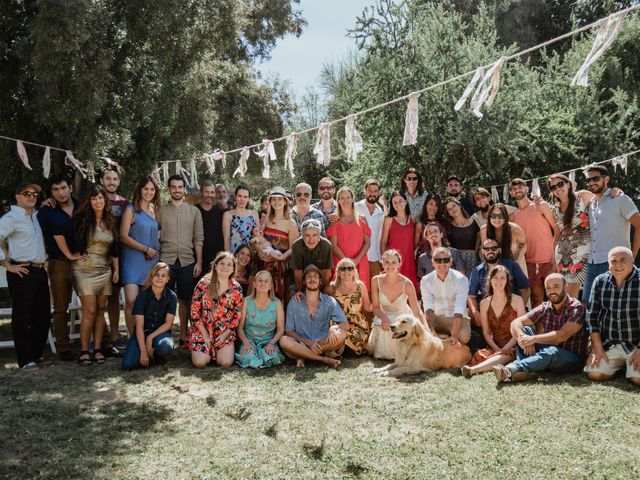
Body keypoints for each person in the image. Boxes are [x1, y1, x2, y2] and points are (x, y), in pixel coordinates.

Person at [55, 185, 119, 366]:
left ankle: (97, 349)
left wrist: (117, 271)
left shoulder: (109, 220)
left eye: (100, 198)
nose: (98, 201)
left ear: (105, 200)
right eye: (93, 198)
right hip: (83, 270)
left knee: (100, 310)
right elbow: (58, 234)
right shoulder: (80, 219)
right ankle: (84, 350)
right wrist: (69, 255)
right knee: (90, 310)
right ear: (88, 202)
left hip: (105, 270)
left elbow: (114, 249)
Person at [494, 273, 588, 382]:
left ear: (565, 287)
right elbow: (516, 322)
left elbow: (561, 336)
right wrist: (523, 338)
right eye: (548, 288)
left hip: (572, 359)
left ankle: (512, 369)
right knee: (524, 330)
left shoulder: (576, 308)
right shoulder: (545, 306)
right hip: (549, 350)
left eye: (556, 286)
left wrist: (533, 339)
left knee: (552, 351)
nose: (552, 291)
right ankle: (528, 371)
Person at [0, 181, 49, 369]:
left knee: (42, 316)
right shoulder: (11, 218)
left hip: (39, 271)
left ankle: (35, 356)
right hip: (22, 271)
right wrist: (7, 265)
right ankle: (25, 359)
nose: (31, 196)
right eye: (26, 193)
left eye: (34, 194)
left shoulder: (35, 216)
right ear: (17, 197)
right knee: (22, 317)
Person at [581, 164, 640, 305]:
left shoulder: (620, 199)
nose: (591, 183)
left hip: (614, 263)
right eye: (588, 180)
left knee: (612, 305)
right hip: (591, 262)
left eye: (595, 178)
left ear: (606, 179)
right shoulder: (591, 203)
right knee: (586, 305)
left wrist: (632, 256)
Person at [158, 174, 204, 345]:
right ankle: (164, 335)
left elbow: (198, 238)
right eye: (174, 187)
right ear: (169, 189)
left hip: (187, 261)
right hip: (166, 260)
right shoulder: (161, 211)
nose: (177, 190)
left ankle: (184, 335)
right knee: (165, 298)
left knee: (185, 299)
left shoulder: (194, 211)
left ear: (184, 189)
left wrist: (198, 261)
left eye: (180, 187)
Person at [584, 247, 640, 385]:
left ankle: (630, 368)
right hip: (610, 344)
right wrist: (597, 348)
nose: (618, 265)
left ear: (632, 261)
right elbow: (592, 317)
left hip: (636, 345)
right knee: (594, 374)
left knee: (638, 379)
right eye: (613, 261)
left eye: (623, 260)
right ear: (608, 264)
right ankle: (623, 366)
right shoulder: (600, 281)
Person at [36, 174, 77, 361]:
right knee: (61, 308)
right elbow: (35, 235)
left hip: (83, 262)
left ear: (70, 187)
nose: (60, 193)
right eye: (56, 189)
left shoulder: (82, 206)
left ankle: (102, 342)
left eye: (63, 188)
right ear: (51, 192)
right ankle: (64, 348)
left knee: (93, 304)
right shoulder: (46, 211)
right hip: (59, 263)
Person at [461, 265, 526, 378]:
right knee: (480, 354)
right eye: (495, 277)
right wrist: (497, 349)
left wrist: (505, 349)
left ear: (507, 281)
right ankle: (495, 362)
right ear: (490, 280)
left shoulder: (517, 300)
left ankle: (472, 370)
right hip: (494, 346)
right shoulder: (484, 303)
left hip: (514, 344)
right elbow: (486, 332)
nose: (499, 281)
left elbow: (521, 329)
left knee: (506, 355)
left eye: (502, 278)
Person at [279, 264, 348, 368]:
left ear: (320, 281)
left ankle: (303, 355)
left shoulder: (329, 301)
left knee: (341, 334)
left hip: (322, 343)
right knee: (284, 340)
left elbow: (345, 324)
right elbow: (289, 331)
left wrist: (335, 327)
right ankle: (323, 359)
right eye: (308, 276)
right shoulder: (294, 303)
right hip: (301, 342)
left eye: (315, 276)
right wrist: (308, 343)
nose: (312, 279)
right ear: (304, 281)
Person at [187, 251, 244, 368]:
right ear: (216, 266)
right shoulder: (203, 284)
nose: (225, 267)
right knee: (200, 363)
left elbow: (236, 317)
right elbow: (194, 313)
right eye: (222, 263)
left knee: (225, 363)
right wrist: (205, 336)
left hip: (224, 331)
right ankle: (204, 352)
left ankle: (217, 352)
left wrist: (224, 335)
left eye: (229, 264)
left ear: (233, 269)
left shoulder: (236, 288)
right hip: (203, 330)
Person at [119, 175, 160, 337]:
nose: (149, 192)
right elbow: (123, 236)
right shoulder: (131, 209)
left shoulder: (154, 211)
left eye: (152, 189)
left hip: (151, 262)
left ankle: (144, 337)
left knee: (146, 304)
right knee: (131, 301)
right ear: (139, 190)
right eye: (146, 189)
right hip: (133, 260)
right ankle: (132, 339)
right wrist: (145, 249)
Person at [368, 250, 425, 360]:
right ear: (382, 264)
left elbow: (416, 310)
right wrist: (384, 318)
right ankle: (383, 353)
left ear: (400, 264)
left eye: (394, 262)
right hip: (384, 315)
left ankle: (403, 351)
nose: (390, 265)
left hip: (402, 316)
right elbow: (375, 307)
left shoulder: (407, 283)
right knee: (380, 321)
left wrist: (424, 330)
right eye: (387, 262)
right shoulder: (376, 280)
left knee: (398, 324)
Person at [509, 178, 555, 308]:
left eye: (520, 187)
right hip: (529, 261)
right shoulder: (513, 216)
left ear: (527, 189)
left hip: (549, 259)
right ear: (511, 193)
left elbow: (556, 227)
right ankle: (539, 329)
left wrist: (556, 254)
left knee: (557, 296)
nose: (517, 190)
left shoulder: (540, 205)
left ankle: (561, 327)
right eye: (513, 188)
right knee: (536, 299)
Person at [121, 262, 176, 370]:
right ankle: (145, 351)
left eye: (163, 275)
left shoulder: (171, 297)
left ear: (168, 279)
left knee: (165, 347)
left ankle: (158, 354)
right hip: (142, 333)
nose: (159, 278)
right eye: (156, 274)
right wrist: (143, 352)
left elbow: (168, 324)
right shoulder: (142, 297)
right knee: (128, 365)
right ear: (151, 276)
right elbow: (139, 327)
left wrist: (150, 338)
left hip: (161, 333)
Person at [99, 168, 129, 354]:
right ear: (102, 180)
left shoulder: (125, 203)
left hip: (121, 255)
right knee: (99, 299)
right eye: (108, 178)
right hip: (99, 256)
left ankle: (114, 337)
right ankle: (100, 338)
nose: (111, 181)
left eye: (114, 179)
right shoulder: (95, 200)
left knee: (114, 298)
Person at [468, 238, 530, 323]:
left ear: (500, 250)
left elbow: (525, 290)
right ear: (482, 251)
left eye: (494, 248)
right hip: (489, 312)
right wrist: (477, 315)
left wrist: (518, 310)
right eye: (486, 249)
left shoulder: (512, 266)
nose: (490, 251)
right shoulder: (477, 271)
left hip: (512, 309)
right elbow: (471, 297)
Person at [420, 247, 471, 346]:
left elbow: (459, 309)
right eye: (438, 260)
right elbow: (428, 308)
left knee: (463, 337)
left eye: (446, 260)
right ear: (433, 262)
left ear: (451, 262)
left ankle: (446, 337)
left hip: (456, 319)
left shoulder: (461, 279)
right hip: (437, 318)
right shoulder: (426, 280)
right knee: (423, 334)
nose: (442, 264)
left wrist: (455, 336)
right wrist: (432, 331)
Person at [236, 270, 285, 368]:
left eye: (266, 281)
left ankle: (262, 356)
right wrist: (245, 342)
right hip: (249, 340)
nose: (263, 283)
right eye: (260, 280)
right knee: (247, 357)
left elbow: (280, 329)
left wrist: (271, 344)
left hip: (268, 341)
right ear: (254, 283)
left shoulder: (277, 303)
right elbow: (240, 328)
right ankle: (255, 356)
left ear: (271, 285)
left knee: (273, 358)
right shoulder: (246, 301)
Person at [327, 186, 371, 290]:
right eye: (342, 198)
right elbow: (334, 246)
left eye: (348, 197)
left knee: (361, 293)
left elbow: (367, 242)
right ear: (338, 201)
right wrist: (347, 262)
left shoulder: (362, 218)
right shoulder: (335, 220)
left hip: (360, 261)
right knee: (341, 293)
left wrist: (356, 260)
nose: (345, 200)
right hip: (341, 261)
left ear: (352, 199)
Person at [261, 186, 299, 301]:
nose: (277, 202)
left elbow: (293, 246)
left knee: (278, 295)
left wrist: (283, 256)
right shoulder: (266, 219)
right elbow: (260, 237)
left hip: (281, 266)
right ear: (270, 201)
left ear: (285, 202)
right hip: (265, 262)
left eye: (280, 199)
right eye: (274, 199)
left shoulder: (291, 223)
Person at [331, 257, 373, 356]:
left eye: (350, 268)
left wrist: (381, 303)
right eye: (343, 268)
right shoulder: (332, 288)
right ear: (338, 272)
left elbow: (368, 307)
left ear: (354, 271)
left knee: (347, 345)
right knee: (334, 337)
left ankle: (336, 350)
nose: (346, 271)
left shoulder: (360, 286)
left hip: (358, 326)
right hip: (339, 325)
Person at [380, 191, 417, 288]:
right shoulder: (389, 219)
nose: (398, 204)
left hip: (409, 260)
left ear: (405, 201)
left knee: (409, 288)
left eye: (400, 201)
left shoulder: (413, 219)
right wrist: (384, 260)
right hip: (393, 261)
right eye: (394, 202)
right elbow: (383, 241)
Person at [480, 203, 527, 275]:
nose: (497, 219)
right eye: (493, 216)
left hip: (515, 265)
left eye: (500, 216)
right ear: (489, 217)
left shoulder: (515, 229)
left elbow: (524, 245)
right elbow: (484, 250)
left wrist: (516, 262)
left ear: (505, 217)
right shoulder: (484, 230)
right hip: (493, 268)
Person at [355, 179, 386, 283]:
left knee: (374, 289)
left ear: (379, 193)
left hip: (374, 257)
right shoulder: (356, 207)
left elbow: (381, 236)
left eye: (375, 191)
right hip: (358, 256)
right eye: (370, 190)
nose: (372, 193)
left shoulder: (381, 212)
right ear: (365, 191)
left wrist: (382, 257)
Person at [290, 219, 333, 294]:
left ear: (319, 236)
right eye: (307, 235)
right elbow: (297, 273)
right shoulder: (296, 245)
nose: (311, 239)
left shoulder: (326, 245)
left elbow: (327, 271)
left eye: (314, 235)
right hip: (302, 282)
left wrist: (324, 290)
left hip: (320, 282)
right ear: (302, 236)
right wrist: (300, 292)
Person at [196, 180, 228, 276]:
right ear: (201, 193)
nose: (209, 195)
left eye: (212, 192)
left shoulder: (221, 213)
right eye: (206, 192)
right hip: (198, 260)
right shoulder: (194, 211)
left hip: (217, 261)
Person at [443, 197, 479, 277]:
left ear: (459, 205)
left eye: (453, 206)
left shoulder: (474, 221)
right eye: (449, 209)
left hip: (471, 258)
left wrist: (475, 252)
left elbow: (479, 239)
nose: (452, 209)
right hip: (455, 259)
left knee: (470, 285)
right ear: (448, 213)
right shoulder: (448, 225)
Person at [222, 183, 259, 253]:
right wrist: (229, 258)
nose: (242, 199)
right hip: (235, 254)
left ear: (248, 199)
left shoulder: (254, 214)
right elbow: (226, 239)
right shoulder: (228, 215)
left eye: (245, 197)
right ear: (235, 197)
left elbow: (258, 236)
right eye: (240, 196)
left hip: (251, 255)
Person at [415, 192, 447, 257]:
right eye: (431, 204)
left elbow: (446, 241)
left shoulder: (443, 222)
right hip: (426, 259)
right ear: (426, 204)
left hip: (442, 257)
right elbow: (415, 245)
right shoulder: (420, 225)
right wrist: (417, 248)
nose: (433, 207)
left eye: (436, 205)